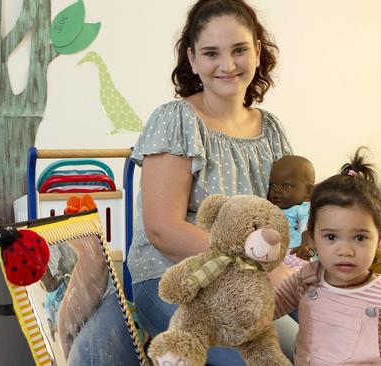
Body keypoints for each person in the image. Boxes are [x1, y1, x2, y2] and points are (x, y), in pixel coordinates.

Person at [69, 0, 297, 365]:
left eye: (239, 49)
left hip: (250, 282)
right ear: (192, 59)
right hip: (175, 276)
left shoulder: (271, 130)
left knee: (318, 343)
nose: (227, 65)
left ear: (257, 50)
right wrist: (254, 268)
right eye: (211, 53)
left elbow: (285, 215)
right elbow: (163, 231)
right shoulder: (177, 120)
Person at [274, 148, 381, 365]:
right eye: (331, 237)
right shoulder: (305, 279)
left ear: (380, 238)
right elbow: (265, 311)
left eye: (360, 238)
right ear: (312, 238)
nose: (345, 250)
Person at [268, 155, 315, 270]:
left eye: (286, 186)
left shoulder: (302, 209)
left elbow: (306, 225)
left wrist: (305, 243)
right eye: (273, 185)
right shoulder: (267, 206)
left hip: (293, 251)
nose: (277, 190)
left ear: (308, 192)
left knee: (301, 273)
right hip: (269, 253)